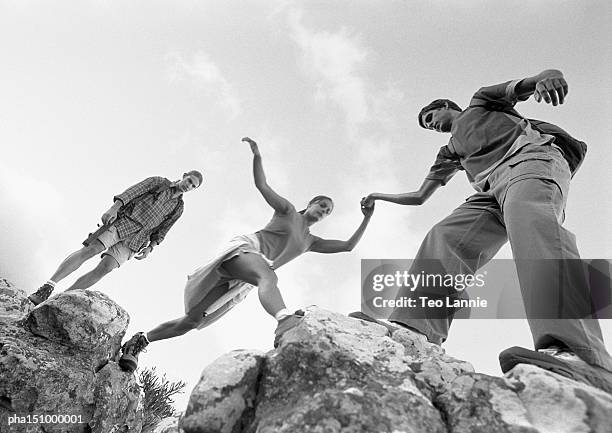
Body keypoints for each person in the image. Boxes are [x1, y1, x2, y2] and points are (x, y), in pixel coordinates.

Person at [361, 69, 612, 393]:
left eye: (431, 115)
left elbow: (525, 85)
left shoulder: (481, 102)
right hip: (489, 191)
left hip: (532, 161)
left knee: (531, 222)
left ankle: (582, 355)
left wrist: (548, 76)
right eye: (426, 124)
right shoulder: (450, 151)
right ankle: (415, 333)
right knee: (446, 237)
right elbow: (420, 196)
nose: (431, 123)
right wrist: (380, 197)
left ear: (448, 106)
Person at [118, 137, 375, 372]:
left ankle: (140, 341)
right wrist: (258, 156)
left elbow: (348, 246)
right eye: (322, 205)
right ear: (311, 204)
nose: (324, 211)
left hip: (242, 278)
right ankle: (284, 319)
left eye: (328, 211)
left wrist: (367, 218)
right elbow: (262, 185)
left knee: (190, 322)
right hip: (245, 251)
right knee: (269, 278)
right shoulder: (287, 211)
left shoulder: (311, 241)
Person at [28, 171, 203, 305]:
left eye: (193, 186)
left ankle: (59, 299)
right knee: (90, 250)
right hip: (122, 222)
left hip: (136, 240)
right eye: (189, 181)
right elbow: (132, 192)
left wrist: (151, 247)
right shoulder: (159, 182)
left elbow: (164, 230)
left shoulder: (178, 208)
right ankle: (48, 286)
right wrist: (113, 208)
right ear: (184, 175)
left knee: (105, 268)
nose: (189, 185)